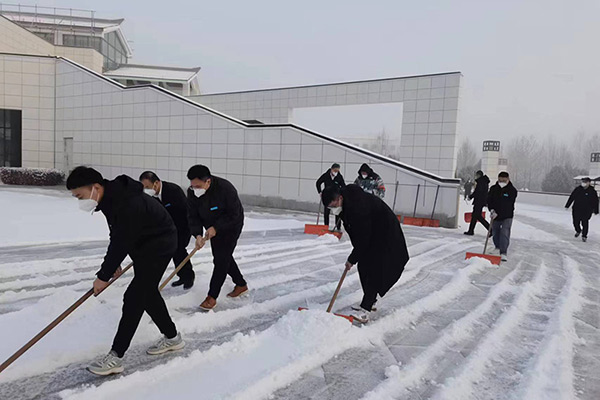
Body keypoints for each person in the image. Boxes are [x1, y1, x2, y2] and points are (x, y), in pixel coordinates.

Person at [66, 167, 184, 376]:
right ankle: (173, 337)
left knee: (134, 297)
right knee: (147, 294)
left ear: (95, 187)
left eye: (79, 196)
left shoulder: (127, 202)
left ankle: (116, 356)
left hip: (160, 244)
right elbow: (118, 234)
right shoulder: (110, 198)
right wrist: (115, 265)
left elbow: (121, 240)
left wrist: (103, 276)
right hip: (143, 243)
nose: (79, 201)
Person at [321, 184, 410, 323]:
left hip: (386, 235)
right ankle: (371, 300)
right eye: (330, 208)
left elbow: (363, 238)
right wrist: (356, 256)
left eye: (333, 205)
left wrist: (352, 258)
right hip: (374, 234)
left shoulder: (358, 207)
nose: (333, 210)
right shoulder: (346, 205)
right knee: (363, 265)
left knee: (374, 268)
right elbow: (357, 235)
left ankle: (366, 309)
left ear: (340, 198)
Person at [187, 165, 248, 311]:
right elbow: (192, 215)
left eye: (198, 186)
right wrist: (197, 235)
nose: (195, 189)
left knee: (221, 259)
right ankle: (241, 284)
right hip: (210, 226)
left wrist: (216, 227)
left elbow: (234, 214)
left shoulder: (225, 189)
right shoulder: (192, 192)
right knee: (224, 257)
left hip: (231, 226)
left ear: (208, 181)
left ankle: (212, 297)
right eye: (192, 185)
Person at [139, 171, 195, 289]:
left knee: (179, 249)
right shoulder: (151, 197)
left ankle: (188, 277)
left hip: (182, 226)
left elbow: (183, 213)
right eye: (144, 188)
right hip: (167, 227)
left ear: (156, 183)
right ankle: (182, 275)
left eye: (147, 187)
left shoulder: (173, 191)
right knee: (174, 251)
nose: (146, 190)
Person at [487, 171, 518, 261]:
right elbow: (489, 200)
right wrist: (492, 210)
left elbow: (508, 204)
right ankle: (497, 247)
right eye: (500, 180)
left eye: (504, 180)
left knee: (504, 232)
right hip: (495, 215)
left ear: (508, 179)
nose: (502, 181)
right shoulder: (493, 189)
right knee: (495, 232)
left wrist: (499, 212)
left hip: (507, 215)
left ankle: (503, 252)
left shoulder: (512, 190)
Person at [565, 177, 599, 242]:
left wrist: (596, 210)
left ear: (589, 183)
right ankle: (578, 230)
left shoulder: (592, 191)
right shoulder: (578, 189)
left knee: (585, 222)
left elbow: (595, 201)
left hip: (587, 210)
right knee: (575, 222)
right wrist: (567, 205)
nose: (584, 183)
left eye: (585, 182)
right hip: (577, 209)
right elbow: (572, 197)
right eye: (583, 182)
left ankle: (584, 235)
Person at [316, 163, 346, 231]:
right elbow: (318, 182)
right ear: (331, 169)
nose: (336, 172)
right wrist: (320, 192)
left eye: (337, 171)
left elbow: (343, 186)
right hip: (327, 197)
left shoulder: (339, 177)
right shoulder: (326, 175)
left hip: (336, 198)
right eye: (335, 170)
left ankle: (338, 227)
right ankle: (326, 226)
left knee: (337, 213)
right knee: (326, 213)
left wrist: (342, 194)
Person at [464, 170, 490, 236]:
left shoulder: (481, 182)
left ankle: (491, 229)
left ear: (479, 175)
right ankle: (471, 230)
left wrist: (471, 196)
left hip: (479, 201)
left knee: (478, 216)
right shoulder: (483, 181)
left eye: (477, 175)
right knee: (475, 216)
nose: (476, 177)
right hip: (480, 201)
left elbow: (478, 192)